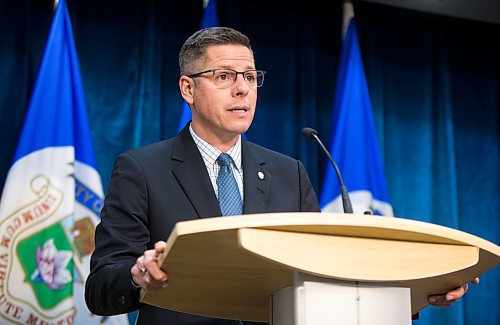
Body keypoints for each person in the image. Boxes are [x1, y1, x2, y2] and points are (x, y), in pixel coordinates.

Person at [85, 27, 476, 325]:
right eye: (224, 76)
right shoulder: (142, 169)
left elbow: (325, 276)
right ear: (188, 88)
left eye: (250, 77)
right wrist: (138, 277)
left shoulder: (289, 173)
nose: (242, 89)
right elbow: (101, 288)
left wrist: (419, 293)